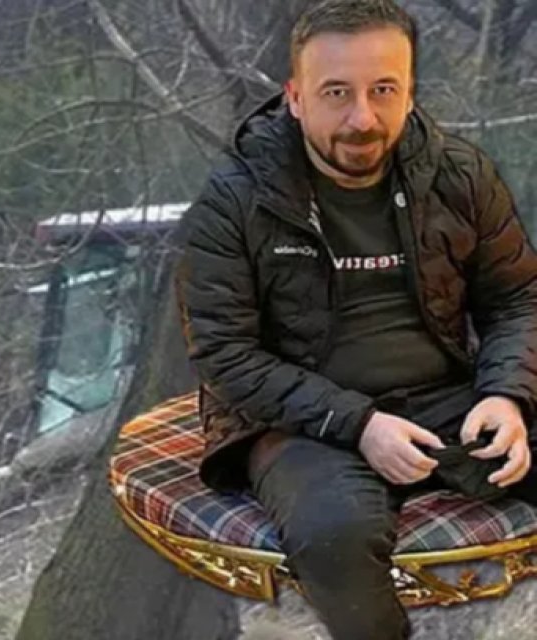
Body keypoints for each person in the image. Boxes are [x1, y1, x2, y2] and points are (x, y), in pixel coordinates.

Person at [175, 1, 537, 638]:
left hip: (448, 395)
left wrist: (508, 394)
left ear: (409, 91)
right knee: (332, 536)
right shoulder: (233, 203)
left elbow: (516, 298)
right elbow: (225, 355)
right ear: (294, 96)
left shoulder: (459, 174)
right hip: (303, 421)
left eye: (383, 90)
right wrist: (358, 423)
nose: (362, 118)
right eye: (336, 93)